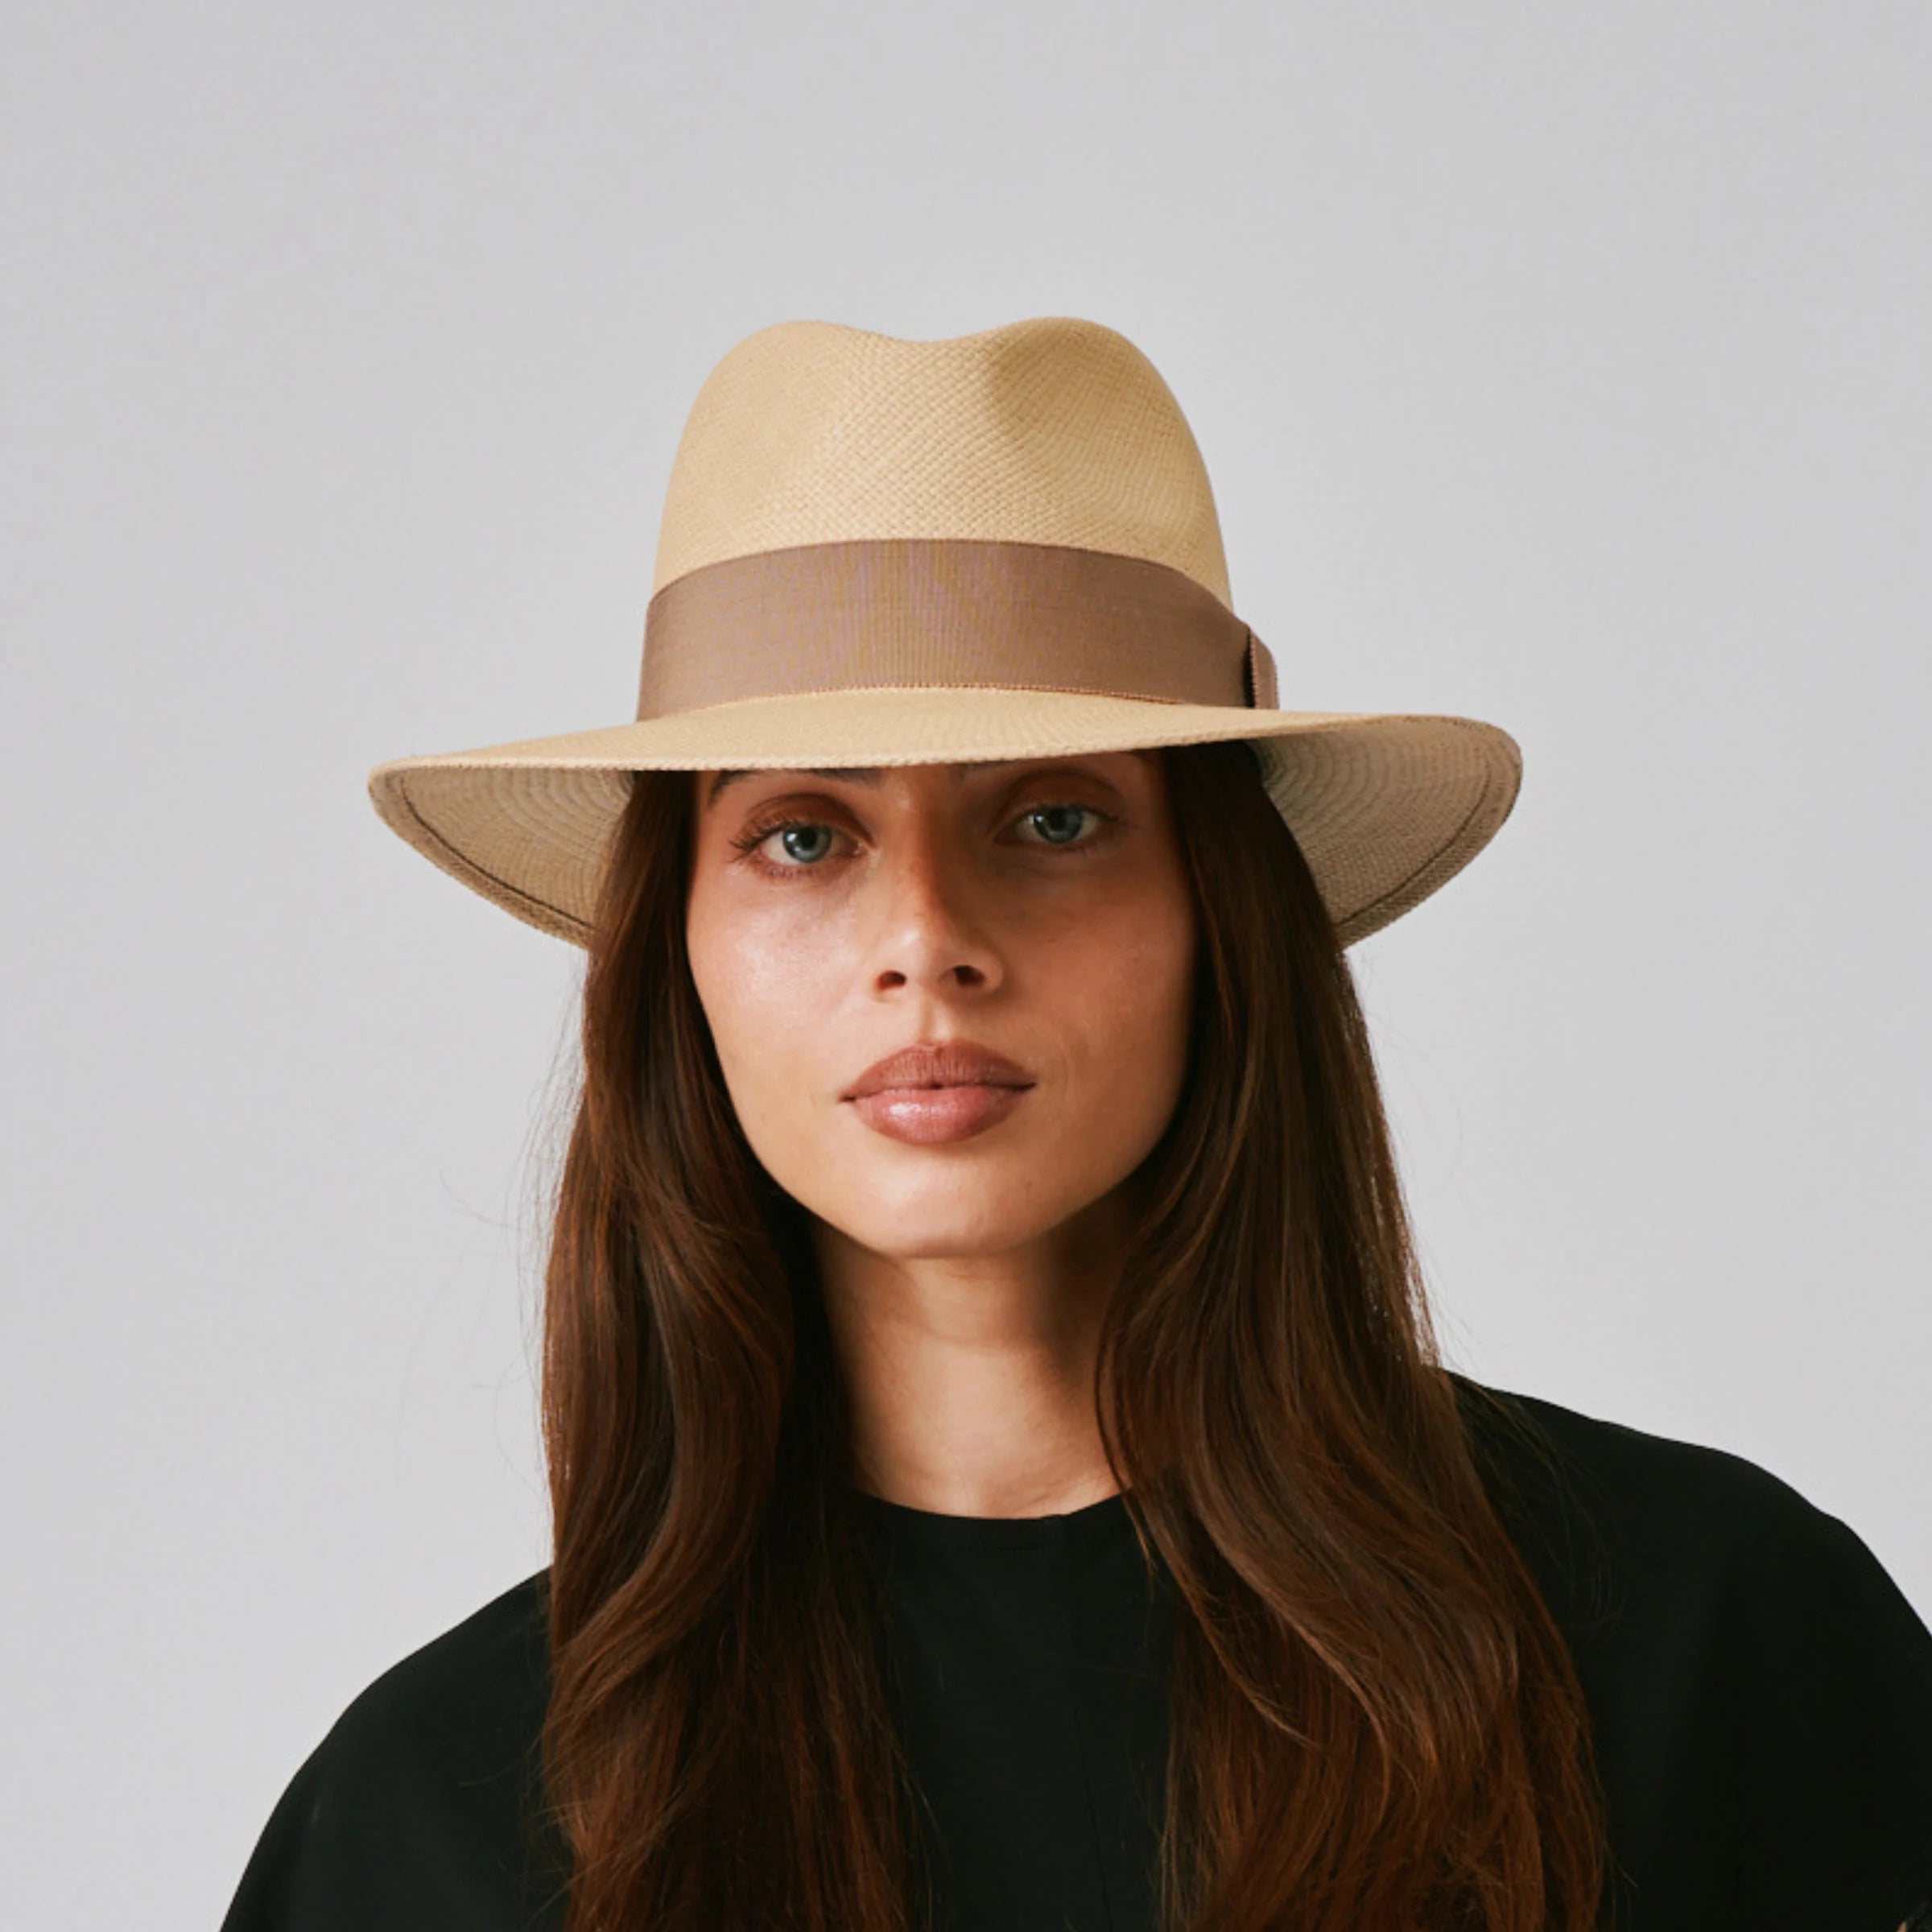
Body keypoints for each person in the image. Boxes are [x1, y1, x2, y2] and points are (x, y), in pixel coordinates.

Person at [220, 316, 1932, 1932]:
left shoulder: (1711, 1648)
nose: (926, 942)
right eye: (804, 837)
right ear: (678, 949)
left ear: (1218, 905)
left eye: (1053, 816)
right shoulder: (436, 1826)